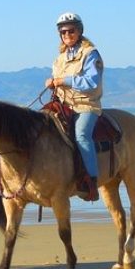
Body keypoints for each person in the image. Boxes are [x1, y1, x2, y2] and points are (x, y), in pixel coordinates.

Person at [45, 12, 104, 201]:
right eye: (63, 32)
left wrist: (64, 80)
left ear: (79, 31)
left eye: (71, 30)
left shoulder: (90, 53)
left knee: (81, 136)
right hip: (63, 104)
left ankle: (91, 182)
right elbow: (57, 79)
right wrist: (52, 82)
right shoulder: (61, 57)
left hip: (85, 105)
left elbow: (92, 81)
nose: (67, 34)